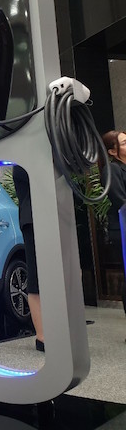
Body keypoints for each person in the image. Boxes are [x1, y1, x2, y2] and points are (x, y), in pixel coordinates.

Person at [13, 165, 44, 351]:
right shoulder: (22, 165)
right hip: (33, 221)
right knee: (37, 277)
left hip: (52, 217)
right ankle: (42, 337)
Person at [101, 130, 126, 316]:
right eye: (124, 143)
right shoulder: (112, 170)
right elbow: (119, 199)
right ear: (112, 151)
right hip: (123, 228)